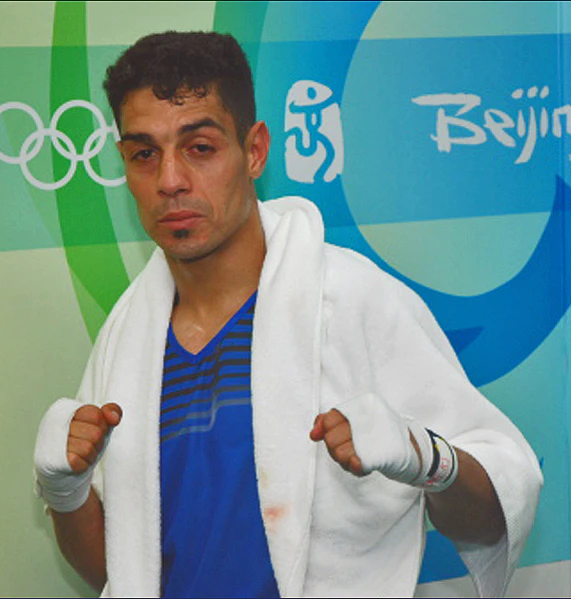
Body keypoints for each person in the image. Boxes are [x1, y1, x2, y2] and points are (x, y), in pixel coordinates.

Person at [33, 31, 542, 598]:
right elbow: (119, 572)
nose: (170, 181)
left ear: (254, 151)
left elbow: (499, 507)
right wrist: (65, 493)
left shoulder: (351, 300)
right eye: (144, 154)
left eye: (200, 147)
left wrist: (430, 459)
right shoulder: (127, 337)